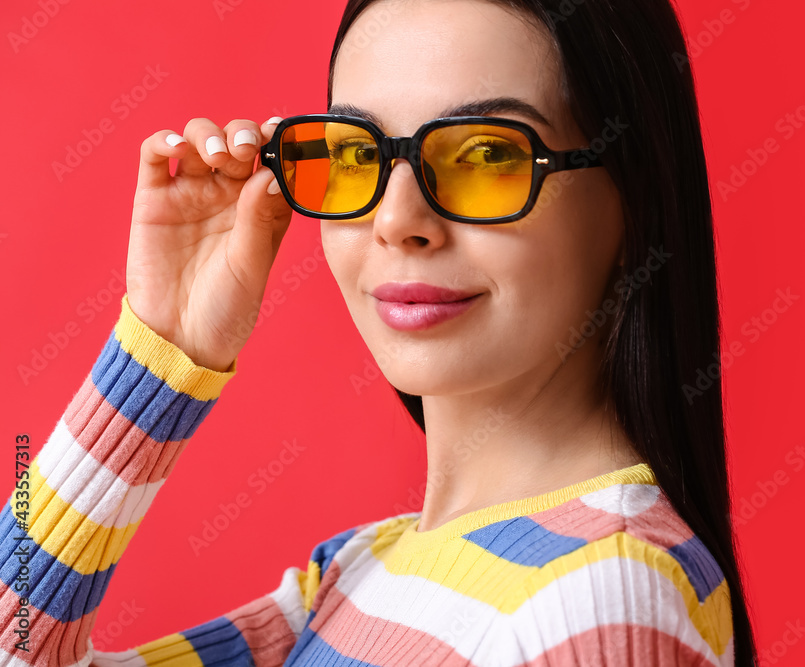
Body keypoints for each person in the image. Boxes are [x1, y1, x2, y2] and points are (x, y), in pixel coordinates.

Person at [0, 0, 757, 664]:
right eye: (359, 154)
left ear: (634, 195)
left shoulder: (602, 601)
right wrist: (162, 343)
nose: (396, 220)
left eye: (487, 153)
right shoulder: (356, 573)